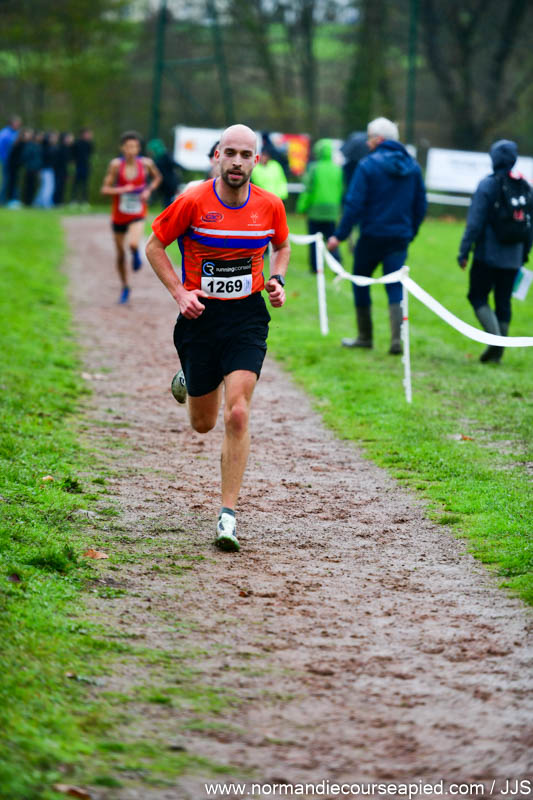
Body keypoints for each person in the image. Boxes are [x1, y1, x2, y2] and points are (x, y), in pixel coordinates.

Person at [145, 123, 290, 553]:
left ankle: (228, 515)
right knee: (203, 423)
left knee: (238, 413)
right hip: (200, 318)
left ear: (256, 161)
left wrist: (278, 279)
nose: (237, 162)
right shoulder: (192, 201)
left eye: (246, 155)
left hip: (247, 318)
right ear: (217, 157)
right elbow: (154, 246)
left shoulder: (270, 205)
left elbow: (282, 246)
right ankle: (190, 378)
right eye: (230, 153)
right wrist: (179, 293)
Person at [327, 117, 427, 355]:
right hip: (399, 237)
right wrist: (410, 232)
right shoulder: (413, 167)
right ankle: (397, 340)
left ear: (379, 139)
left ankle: (365, 337)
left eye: (370, 137)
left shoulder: (367, 165)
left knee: (360, 282)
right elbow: (421, 206)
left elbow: (354, 204)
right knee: (395, 285)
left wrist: (339, 236)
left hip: (371, 236)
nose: (367, 142)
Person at [458, 139, 532, 363]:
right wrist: (524, 252)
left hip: (487, 256)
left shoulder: (488, 185)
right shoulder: (525, 187)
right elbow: (529, 225)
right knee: (503, 302)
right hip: (514, 257)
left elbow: (474, 223)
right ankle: (498, 350)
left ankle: (495, 344)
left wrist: (464, 251)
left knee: (477, 295)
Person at [100, 130, 162, 304]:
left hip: (137, 212)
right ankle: (125, 286)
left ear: (139, 148)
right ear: (122, 148)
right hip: (119, 214)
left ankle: (135, 253)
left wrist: (148, 190)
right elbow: (105, 189)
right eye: (128, 147)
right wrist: (121, 190)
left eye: (134, 147)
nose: (131, 150)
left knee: (134, 244)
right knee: (120, 254)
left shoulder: (146, 163)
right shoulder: (115, 165)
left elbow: (157, 178)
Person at [297, 138, 343, 273]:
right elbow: (341, 189)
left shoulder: (313, 168)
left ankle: (315, 267)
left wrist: (302, 207)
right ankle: (337, 265)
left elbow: (308, 190)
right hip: (332, 211)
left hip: (315, 211)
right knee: (332, 239)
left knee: (314, 241)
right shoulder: (338, 169)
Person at [147, 138, 181, 207]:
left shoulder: (165, 156)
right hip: (163, 184)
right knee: (167, 201)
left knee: (169, 201)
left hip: (170, 183)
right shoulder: (157, 157)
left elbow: (174, 164)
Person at [0, 115, 22, 204]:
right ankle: (2, 200)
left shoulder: (16, 132)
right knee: (7, 181)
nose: (19, 125)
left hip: (14, 162)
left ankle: (12, 200)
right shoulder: (5, 133)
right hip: (7, 161)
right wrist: (5, 158)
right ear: (12, 123)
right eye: (17, 123)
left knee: (14, 181)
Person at [70, 128, 94, 206]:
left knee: (85, 184)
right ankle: (73, 200)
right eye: (88, 134)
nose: (89, 135)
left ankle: (84, 200)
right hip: (77, 167)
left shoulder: (89, 144)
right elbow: (72, 155)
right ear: (83, 134)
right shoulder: (76, 143)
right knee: (75, 184)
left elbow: (90, 155)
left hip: (86, 167)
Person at [53, 132, 74, 206]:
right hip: (58, 170)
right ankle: (56, 202)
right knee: (58, 186)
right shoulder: (61, 148)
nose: (71, 140)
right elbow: (60, 162)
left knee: (62, 186)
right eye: (70, 138)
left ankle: (59, 201)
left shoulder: (68, 148)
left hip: (63, 171)